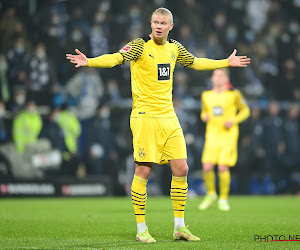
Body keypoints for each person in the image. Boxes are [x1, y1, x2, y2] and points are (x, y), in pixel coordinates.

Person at [66, 7, 250, 243]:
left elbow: (195, 62)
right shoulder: (140, 46)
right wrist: (89, 62)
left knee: (182, 168)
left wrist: (225, 62)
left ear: (170, 26)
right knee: (143, 170)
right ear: (150, 24)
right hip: (144, 117)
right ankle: (141, 228)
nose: (158, 26)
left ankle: (180, 227)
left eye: (163, 23)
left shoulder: (175, 48)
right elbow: (115, 58)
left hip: (169, 117)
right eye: (155, 22)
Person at [198, 68, 250, 211]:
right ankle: (211, 194)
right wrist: (204, 117)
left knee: (222, 166)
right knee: (207, 166)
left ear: (226, 79)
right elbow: (204, 112)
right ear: (212, 78)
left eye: (221, 75)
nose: (218, 78)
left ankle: (223, 198)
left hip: (228, 135)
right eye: (215, 75)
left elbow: (245, 110)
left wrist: (234, 120)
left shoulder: (234, 95)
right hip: (212, 135)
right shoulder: (206, 95)